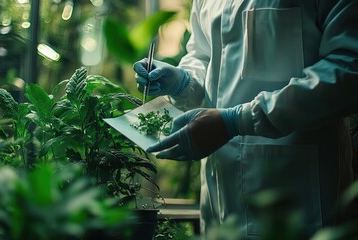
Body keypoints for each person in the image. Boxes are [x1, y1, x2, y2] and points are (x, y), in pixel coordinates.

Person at [133, 0, 358, 238]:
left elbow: (349, 68)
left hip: (296, 193)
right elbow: (203, 55)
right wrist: (184, 82)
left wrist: (237, 120)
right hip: (219, 202)